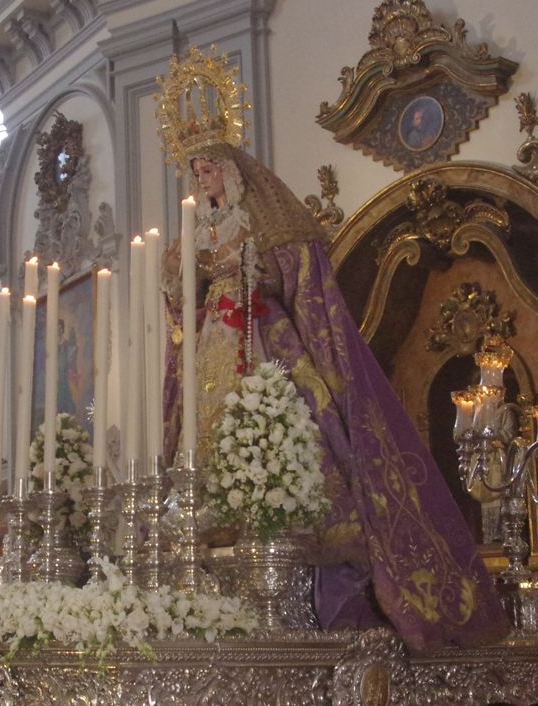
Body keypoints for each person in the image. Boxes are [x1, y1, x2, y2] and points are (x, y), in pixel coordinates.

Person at [157, 61, 507, 646]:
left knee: (294, 421)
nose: (202, 179)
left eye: (209, 168)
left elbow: (294, 279)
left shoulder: (260, 220)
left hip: (261, 337)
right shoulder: (197, 232)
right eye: (195, 172)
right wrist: (178, 280)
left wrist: (249, 268)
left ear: (231, 170)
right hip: (215, 341)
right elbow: (184, 310)